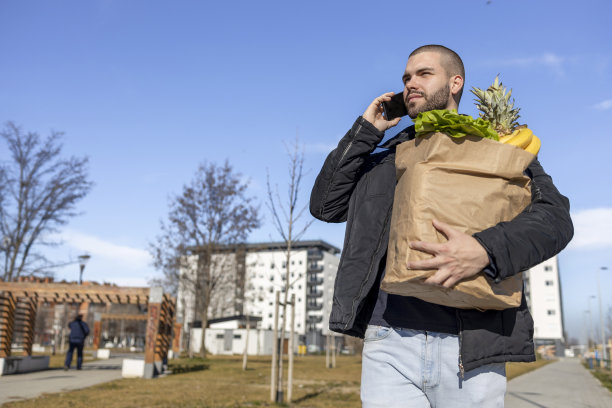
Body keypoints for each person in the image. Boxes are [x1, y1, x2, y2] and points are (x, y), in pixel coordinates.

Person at [310, 44, 573, 407]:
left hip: (472, 346)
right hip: (389, 341)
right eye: (406, 77)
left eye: (423, 74)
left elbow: (555, 218)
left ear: (455, 82)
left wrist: (485, 249)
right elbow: (326, 206)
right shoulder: (389, 158)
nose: (410, 84)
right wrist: (367, 131)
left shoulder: (497, 148)